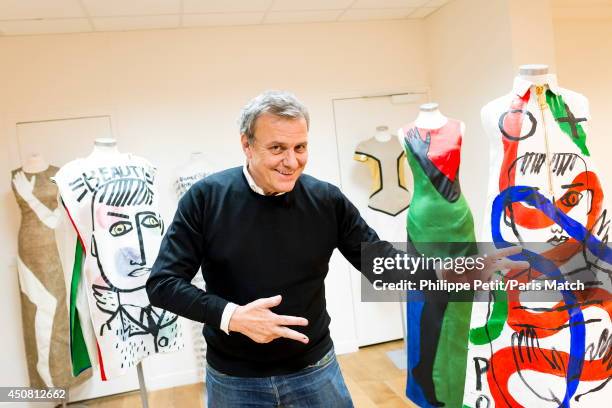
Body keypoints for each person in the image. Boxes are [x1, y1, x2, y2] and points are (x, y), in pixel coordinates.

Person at [146, 90, 527, 407]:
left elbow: (380, 263)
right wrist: (233, 316)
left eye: (300, 146)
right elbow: (162, 283)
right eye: (277, 147)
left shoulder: (324, 200)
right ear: (246, 144)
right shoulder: (206, 199)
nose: (291, 161)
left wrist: (452, 272)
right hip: (235, 380)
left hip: (315, 372)